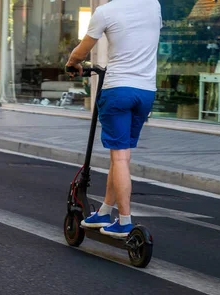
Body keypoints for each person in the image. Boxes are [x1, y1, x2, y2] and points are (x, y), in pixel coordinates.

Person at [67, 0, 162, 238]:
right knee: (121, 156)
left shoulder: (105, 12)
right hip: (145, 92)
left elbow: (83, 49)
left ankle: (125, 221)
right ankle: (104, 211)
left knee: (119, 158)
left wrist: (73, 63)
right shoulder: (154, 5)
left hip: (118, 90)